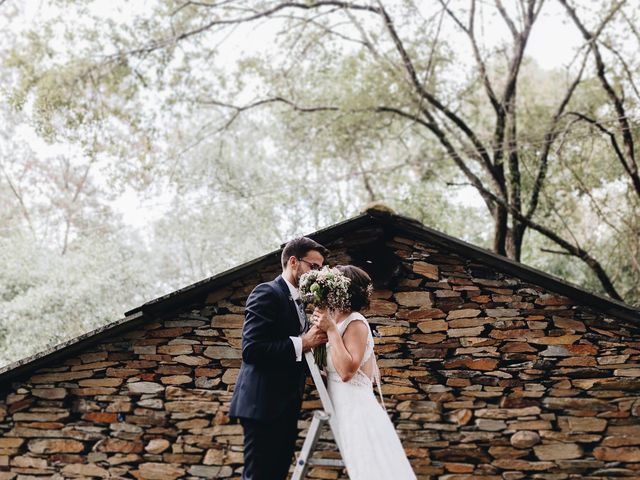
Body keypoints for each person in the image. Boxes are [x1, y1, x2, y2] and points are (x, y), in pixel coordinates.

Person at [229, 237, 329, 480]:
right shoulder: (267, 292)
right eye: (313, 267)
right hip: (263, 405)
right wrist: (304, 342)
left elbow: (292, 354)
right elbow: (252, 349)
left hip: (284, 406)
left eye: (321, 269)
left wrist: (319, 372)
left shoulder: (300, 301)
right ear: (293, 262)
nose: (317, 274)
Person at [312, 265, 417, 480]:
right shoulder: (336, 321)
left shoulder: (356, 322)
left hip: (356, 407)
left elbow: (346, 372)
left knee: (369, 469)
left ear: (342, 290)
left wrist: (331, 330)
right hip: (341, 405)